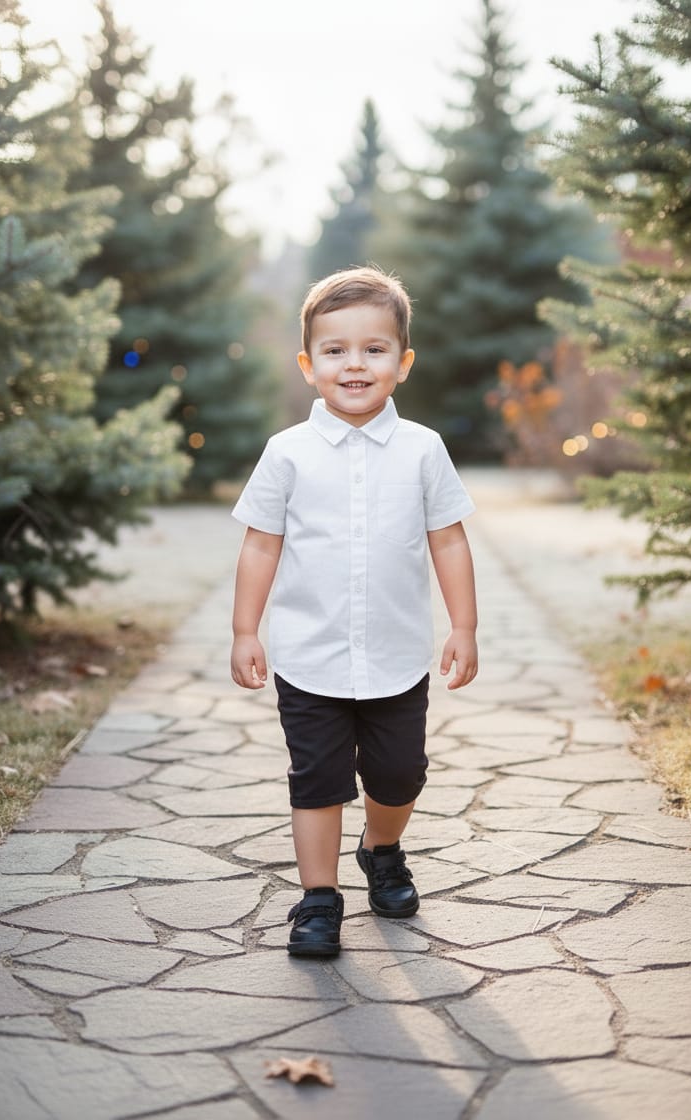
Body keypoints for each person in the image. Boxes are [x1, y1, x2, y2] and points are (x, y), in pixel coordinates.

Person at [229, 265, 478, 958]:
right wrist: (245, 629)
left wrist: (464, 626)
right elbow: (259, 545)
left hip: (396, 656)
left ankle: (383, 848)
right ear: (309, 367)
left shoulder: (423, 450)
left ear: (403, 362)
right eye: (335, 350)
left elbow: (449, 541)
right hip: (311, 657)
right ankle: (318, 898)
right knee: (316, 780)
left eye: (374, 348)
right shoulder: (288, 454)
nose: (355, 364)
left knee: (401, 773)